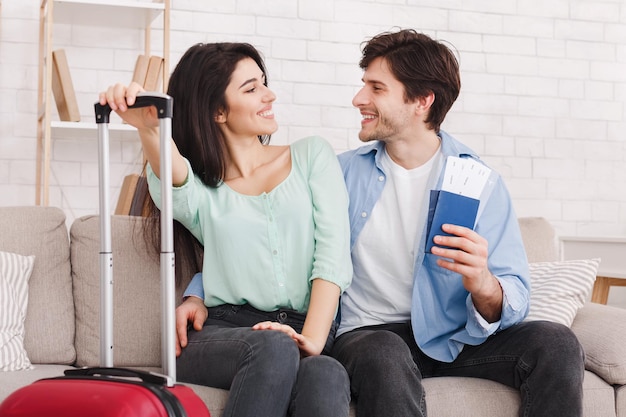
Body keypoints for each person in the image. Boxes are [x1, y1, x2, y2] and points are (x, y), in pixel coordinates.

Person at [329, 29, 585, 417]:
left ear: (421, 101)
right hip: (371, 335)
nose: (358, 99)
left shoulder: (479, 182)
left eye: (376, 88)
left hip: (454, 336)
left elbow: (514, 291)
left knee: (557, 343)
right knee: (384, 352)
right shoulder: (340, 174)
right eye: (363, 85)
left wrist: (484, 285)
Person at [99, 42, 352, 417]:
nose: (270, 95)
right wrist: (149, 128)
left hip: (303, 328)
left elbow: (332, 253)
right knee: (273, 348)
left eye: (264, 83)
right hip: (224, 333)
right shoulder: (205, 192)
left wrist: (312, 339)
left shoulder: (311, 155)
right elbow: (173, 176)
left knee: (327, 372)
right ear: (218, 111)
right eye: (251, 89)